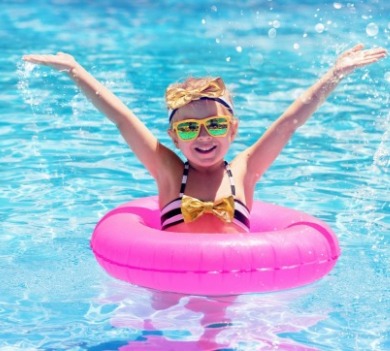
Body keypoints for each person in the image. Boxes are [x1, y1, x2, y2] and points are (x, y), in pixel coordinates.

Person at [23, 44, 387, 234]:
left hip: (233, 285)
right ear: (174, 137)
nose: (201, 136)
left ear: (232, 129)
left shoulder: (244, 171)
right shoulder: (168, 172)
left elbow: (288, 122)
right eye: (187, 128)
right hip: (169, 284)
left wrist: (335, 74)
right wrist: (76, 70)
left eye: (213, 125)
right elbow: (123, 119)